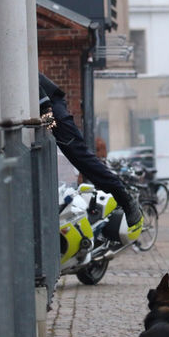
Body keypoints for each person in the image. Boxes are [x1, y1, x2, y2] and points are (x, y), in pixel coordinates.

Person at [38, 72, 142, 227]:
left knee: (79, 156)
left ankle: (123, 196)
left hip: (50, 108)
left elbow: (34, 83)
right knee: (77, 155)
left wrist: (48, 118)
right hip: (48, 107)